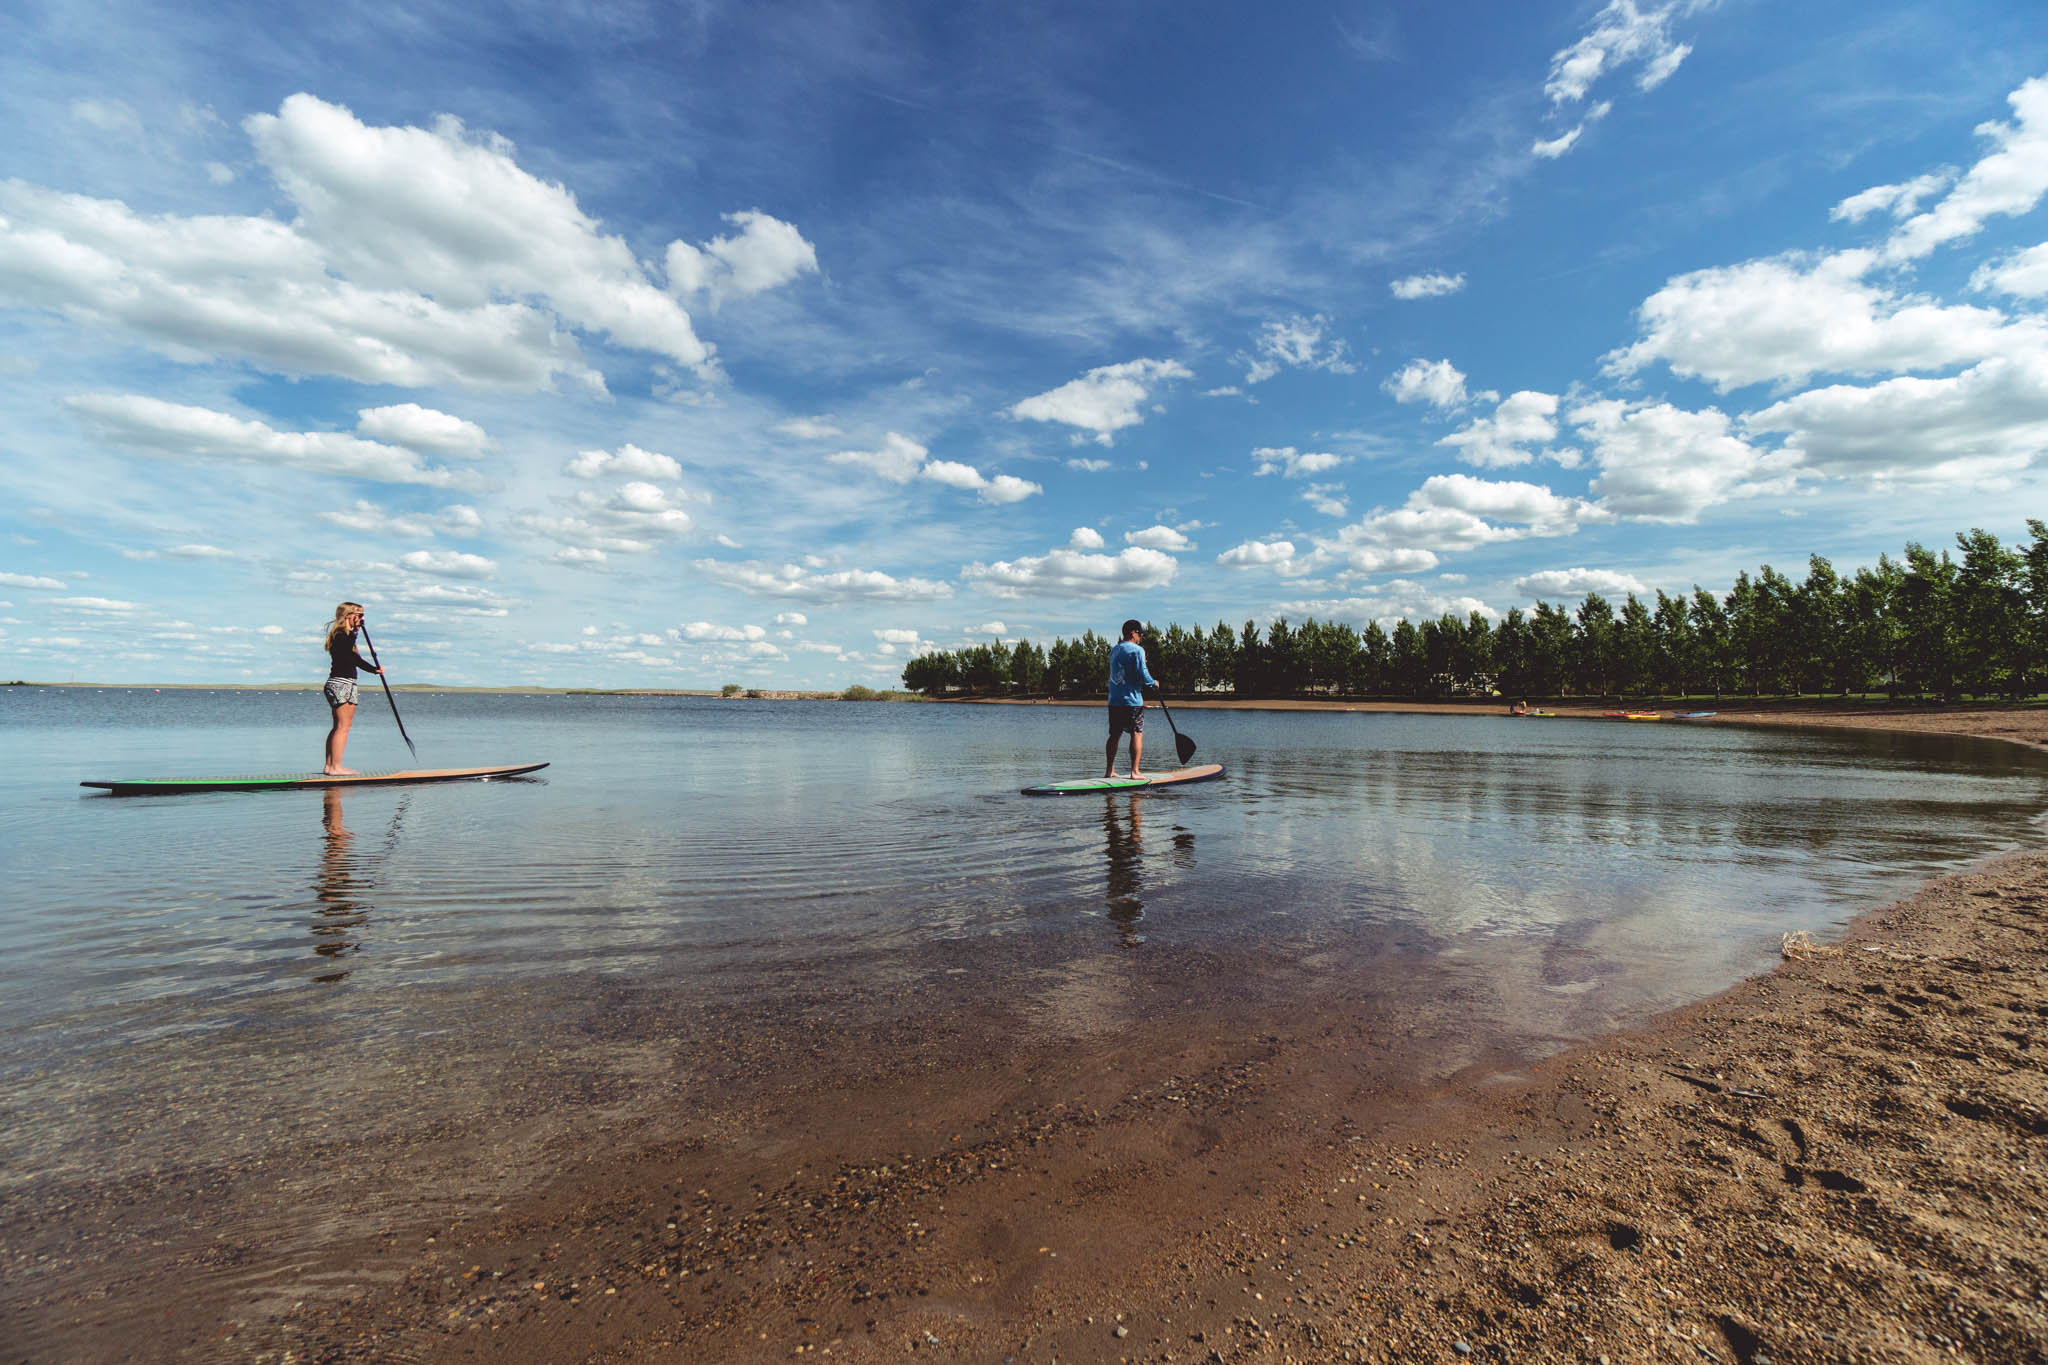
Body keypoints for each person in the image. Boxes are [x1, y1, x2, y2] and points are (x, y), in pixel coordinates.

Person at [322, 602, 382, 775]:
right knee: (343, 727)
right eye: (360, 615)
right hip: (342, 683)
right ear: (348, 615)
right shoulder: (342, 636)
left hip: (340, 682)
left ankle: (329, 766)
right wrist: (373, 670)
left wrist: (374, 669)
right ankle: (335, 767)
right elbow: (352, 659)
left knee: (338, 727)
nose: (362, 619)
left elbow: (353, 657)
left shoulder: (344, 636)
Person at [1104, 618, 1159, 779]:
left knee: (1114, 734)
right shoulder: (1137, 650)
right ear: (1133, 633)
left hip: (1114, 700)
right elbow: (1142, 673)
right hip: (1131, 701)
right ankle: (1134, 772)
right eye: (1140, 634)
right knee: (1137, 733)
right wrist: (1153, 683)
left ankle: (1109, 771)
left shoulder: (1114, 650)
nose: (1140, 638)